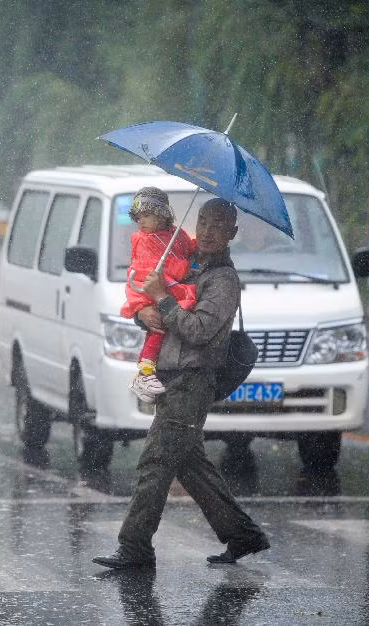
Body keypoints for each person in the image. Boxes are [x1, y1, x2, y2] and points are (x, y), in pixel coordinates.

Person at [93, 197, 270, 569]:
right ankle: (243, 535)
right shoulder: (188, 265)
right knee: (190, 465)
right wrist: (144, 309)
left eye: (217, 226)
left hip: (192, 381)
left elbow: (199, 330)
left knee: (155, 462)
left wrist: (162, 297)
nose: (206, 231)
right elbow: (159, 318)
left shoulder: (222, 280)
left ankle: (135, 547)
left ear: (231, 234)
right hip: (172, 376)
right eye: (202, 222)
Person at [120, 187, 197, 403]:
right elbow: (149, 267)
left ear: (162, 214)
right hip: (149, 288)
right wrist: (181, 268)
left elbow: (185, 249)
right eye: (137, 217)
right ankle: (145, 372)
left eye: (146, 216)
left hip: (168, 287)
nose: (140, 222)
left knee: (165, 325)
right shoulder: (144, 240)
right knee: (157, 328)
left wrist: (194, 246)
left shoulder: (176, 235)